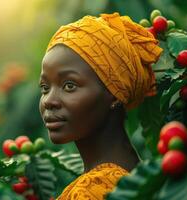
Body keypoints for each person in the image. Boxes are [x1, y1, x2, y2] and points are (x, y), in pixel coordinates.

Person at [39, 13, 162, 199]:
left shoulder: (92, 192)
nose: (49, 100)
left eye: (69, 86)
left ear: (114, 92)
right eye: (45, 88)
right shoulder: (141, 178)